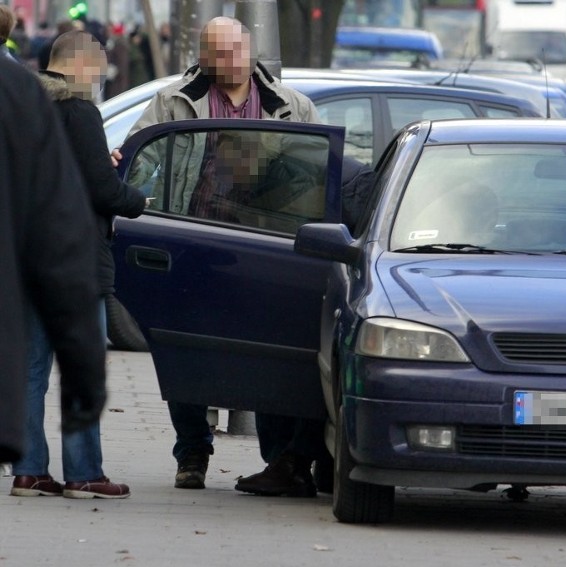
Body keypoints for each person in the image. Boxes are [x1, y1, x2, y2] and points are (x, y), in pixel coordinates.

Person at [122, 16, 326, 496]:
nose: (230, 61)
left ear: (250, 50)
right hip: (196, 243)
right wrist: (122, 177)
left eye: (237, 51)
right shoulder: (173, 101)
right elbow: (141, 159)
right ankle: (192, 450)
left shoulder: (292, 107)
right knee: (186, 349)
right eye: (219, 53)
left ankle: (279, 463)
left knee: (271, 356)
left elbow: (318, 175)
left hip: (266, 252)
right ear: (205, 55)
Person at [10, 30, 146, 499]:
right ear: (81, 64)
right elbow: (101, 191)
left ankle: (28, 471)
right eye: (101, 64)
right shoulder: (79, 109)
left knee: (30, 368)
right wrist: (138, 199)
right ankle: (84, 473)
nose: (104, 74)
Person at [0, 57, 106, 473]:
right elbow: (56, 236)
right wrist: (84, 374)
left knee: (31, 371)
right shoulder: (17, 94)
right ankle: (65, 470)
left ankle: (31, 470)